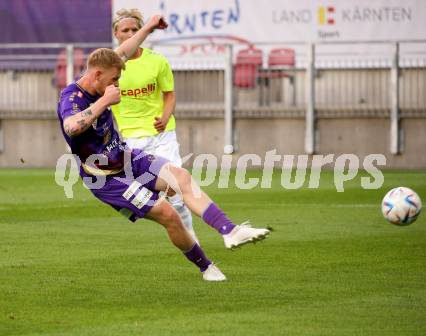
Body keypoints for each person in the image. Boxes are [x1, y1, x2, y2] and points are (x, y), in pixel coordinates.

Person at [57, 14, 270, 282]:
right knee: (168, 214)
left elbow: (124, 49)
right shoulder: (72, 97)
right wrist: (104, 102)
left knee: (180, 178)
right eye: (113, 80)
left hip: (125, 157)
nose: (117, 85)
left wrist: (148, 27)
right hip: (105, 178)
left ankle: (230, 231)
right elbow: (72, 127)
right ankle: (206, 267)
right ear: (97, 75)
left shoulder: (101, 72)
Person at [111, 9, 198, 242]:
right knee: (142, 194)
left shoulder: (157, 61)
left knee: (175, 190)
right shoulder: (111, 66)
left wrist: (165, 115)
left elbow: (169, 94)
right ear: (116, 34)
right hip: (131, 138)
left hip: (162, 134)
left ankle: (192, 241)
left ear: (141, 32)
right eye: (125, 30)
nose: (130, 33)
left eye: (134, 29)